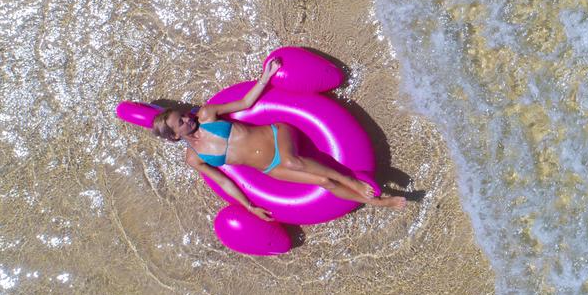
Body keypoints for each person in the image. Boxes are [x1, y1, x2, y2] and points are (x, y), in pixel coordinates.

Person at [152, 58, 406, 221]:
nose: (187, 118)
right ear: (175, 136)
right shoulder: (194, 158)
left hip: (278, 134)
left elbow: (245, 102)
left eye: (183, 114)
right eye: (181, 122)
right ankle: (378, 202)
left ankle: (351, 180)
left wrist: (266, 76)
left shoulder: (207, 115)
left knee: (294, 163)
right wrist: (249, 207)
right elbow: (224, 181)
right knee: (323, 181)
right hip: (272, 168)